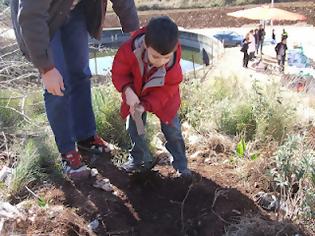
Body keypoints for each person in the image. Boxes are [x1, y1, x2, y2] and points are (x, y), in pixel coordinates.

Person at [10, 0, 140, 179]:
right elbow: (30, 17)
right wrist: (46, 68)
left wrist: (135, 32)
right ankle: (67, 152)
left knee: (80, 73)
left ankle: (86, 137)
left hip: (75, 9)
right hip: (40, 16)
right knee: (57, 83)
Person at [112, 16, 191, 177]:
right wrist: (127, 90)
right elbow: (119, 73)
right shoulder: (128, 51)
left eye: (166, 57)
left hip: (164, 101)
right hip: (135, 95)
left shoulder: (173, 68)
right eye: (155, 57)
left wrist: (146, 105)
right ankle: (140, 160)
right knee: (135, 129)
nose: (161, 62)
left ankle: (181, 165)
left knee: (172, 131)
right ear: (146, 45)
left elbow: (165, 92)